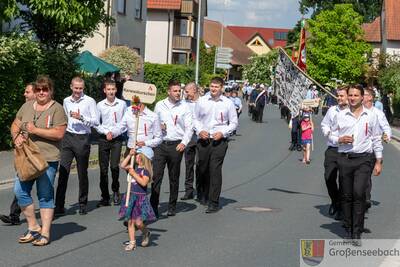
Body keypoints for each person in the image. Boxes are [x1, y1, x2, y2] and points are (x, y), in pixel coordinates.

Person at [12, 75, 67, 246]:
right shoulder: (27, 106)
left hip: (47, 159)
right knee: (19, 190)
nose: (41, 92)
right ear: (35, 91)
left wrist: (35, 129)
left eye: (45, 89)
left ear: (51, 91)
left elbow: (59, 133)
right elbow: (15, 125)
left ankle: (45, 233)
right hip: (26, 157)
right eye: (38, 89)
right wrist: (16, 138)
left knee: (45, 195)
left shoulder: (57, 109)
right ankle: (33, 226)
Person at [335, 84, 383, 245]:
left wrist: (378, 160)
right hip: (345, 158)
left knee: (359, 193)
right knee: (347, 195)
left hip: (364, 159)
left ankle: (357, 231)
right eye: (351, 95)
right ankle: (348, 230)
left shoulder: (371, 116)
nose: (353, 98)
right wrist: (339, 139)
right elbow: (330, 133)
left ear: (363, 97)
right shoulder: (340, 115)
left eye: (356, 95)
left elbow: (376, 138)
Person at [55, 77, 99, 216]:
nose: (78, 91)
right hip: (68, 137)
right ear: (71, 87)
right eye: (76, 88)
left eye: (80, 88)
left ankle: (82, 203)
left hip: (82, 138)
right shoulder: (66, 100)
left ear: (83, 88)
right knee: (63, 172)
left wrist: (81, 118)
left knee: (82, 173)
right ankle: (59, 205)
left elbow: (96, 122)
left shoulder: (90, 101)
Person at [194, 77, 238, 213]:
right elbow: (195, 119)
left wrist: (223, 132)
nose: (213, 89)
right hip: (204, 139)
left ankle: (213, 202)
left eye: (216, 87)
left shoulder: (228, 103)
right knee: (202, 168)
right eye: (212, 86)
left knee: (215, 170)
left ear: (221, 88)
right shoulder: (201, 101)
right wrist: (200, 130)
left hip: (219, 141)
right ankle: (203, 191)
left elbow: (234, 122)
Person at [150, 80, 193, 217]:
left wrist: (184, 143)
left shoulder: (185, 107)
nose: (178, 93)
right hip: (161, 145)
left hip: (176, 145)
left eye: (179, 91)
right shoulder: (159, 105)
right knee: (156, 176)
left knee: (174, 177)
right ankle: (153, 206)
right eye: (175, 91)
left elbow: (189, 127)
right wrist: (159, 127)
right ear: (169, 91)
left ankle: (172, 206)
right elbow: (153, 123)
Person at [0, 83, 37, 225]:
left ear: (35, 93)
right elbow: (16, 126)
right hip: (24, 153)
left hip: (38, 154)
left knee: (43, 187)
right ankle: (14, 215)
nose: (24, 94)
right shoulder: (24, 108)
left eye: (27, 92)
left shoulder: (41, 109)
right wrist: (17, 138)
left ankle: (50, 209)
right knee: (21, 184)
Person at [95, 80, 127, 207]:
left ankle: (115, 191)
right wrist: (106, 132)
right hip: (103, 139)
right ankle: (104, 196)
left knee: (114, 167)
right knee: (103, 169)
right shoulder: (100, 105)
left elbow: (125, 123)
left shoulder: (122, 104)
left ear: (116, 90)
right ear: (104, 90)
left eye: (113, 89)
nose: (111, 92)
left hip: (116, 139)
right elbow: (96, 123)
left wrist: (113, 133)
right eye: (108, 89)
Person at [119, 147, 156, 251]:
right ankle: (132, 242)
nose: (136, 156)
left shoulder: (145, 171)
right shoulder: (133, 167)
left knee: (138, 222)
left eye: (138, 154)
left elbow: (144, 182)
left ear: (143, 158)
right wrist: (129, 155)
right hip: (131, 197)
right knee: (130, 221)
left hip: (140, 198)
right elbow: (122, 165)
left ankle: (145, 232)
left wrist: (134, 174)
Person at [321, 86, 348, 220]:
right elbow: (324, 124)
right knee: (328, 177)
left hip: (347, 150)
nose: (339, 98)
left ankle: (342, 207)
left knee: (344, 180)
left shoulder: (354, 112)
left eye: (342, 96)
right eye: (338, 95)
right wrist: (327, 132)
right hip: (332, 149)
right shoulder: (332, 110)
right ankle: (335, 200)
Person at [363, 88, 391, 211]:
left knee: (365, 175)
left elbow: (386, 128)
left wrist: (387, 136)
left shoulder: (378, 114)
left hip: (371, 149)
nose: (361, 97)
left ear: (370, 97)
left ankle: (365, 198)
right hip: (357, 149)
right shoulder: (355, 111)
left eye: (364, 94)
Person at [181, 82, 199, 200]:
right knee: (188, 165)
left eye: (187, 91)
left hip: (201, 137)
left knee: (201, 164)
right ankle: (189, 189)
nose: (185, 94)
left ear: (195, 90)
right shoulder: (183, 103)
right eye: (185, 91)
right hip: (188, 137)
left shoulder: (202, 103)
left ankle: (201, 188)